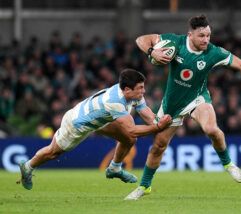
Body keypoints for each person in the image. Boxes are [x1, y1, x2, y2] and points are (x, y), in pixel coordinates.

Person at [125, 15, 241, 200]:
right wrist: (151, 51)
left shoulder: (213, 52)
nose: (206, 40)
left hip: (198, 99)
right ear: (190, 35)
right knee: (158, 146)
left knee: (211, 129)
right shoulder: (175, 42)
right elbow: (141, 39)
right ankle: (144, 187)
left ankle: (228, 164)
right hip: (172, 104)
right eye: (202, 36)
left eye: (208, 35)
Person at [17, 68, 172, 190]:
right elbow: (132, 128)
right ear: (126, 90)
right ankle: (28, 166)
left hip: (100, 120)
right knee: (53, 152)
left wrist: (160, 122)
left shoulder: (134, 94)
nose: (143, 91)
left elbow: (146, 114)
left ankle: (114, 169)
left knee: (129, 138)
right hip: (77, 123)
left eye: (143, 87)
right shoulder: (115, 101)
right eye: (140, 88)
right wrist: (158, 126)